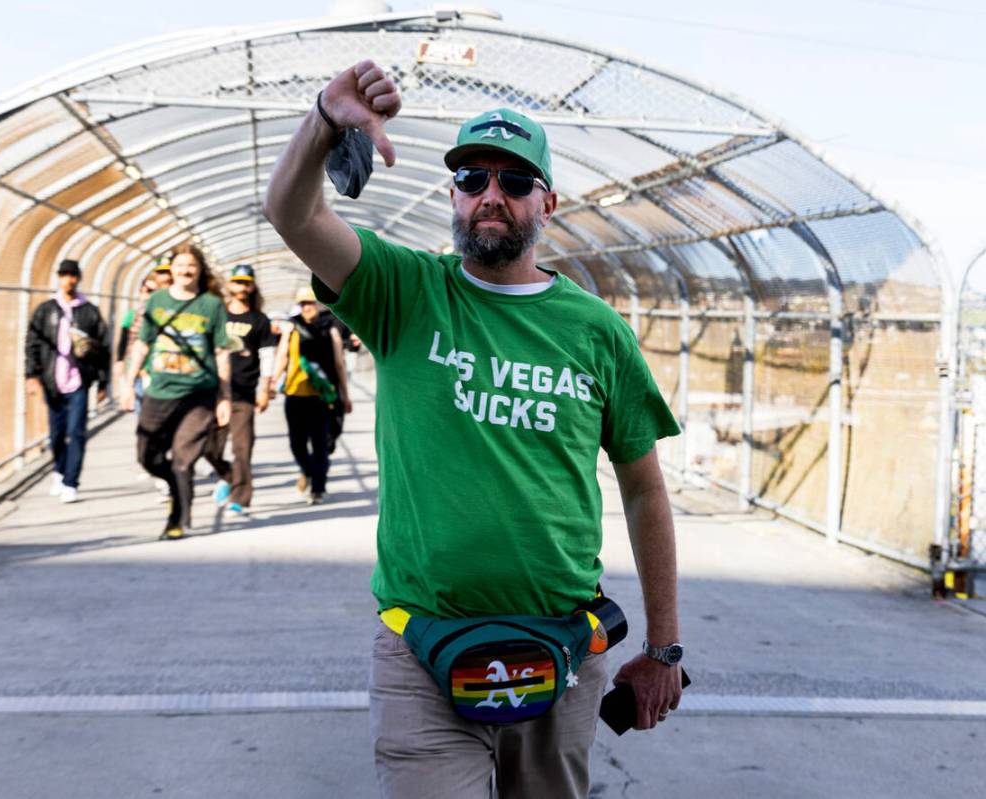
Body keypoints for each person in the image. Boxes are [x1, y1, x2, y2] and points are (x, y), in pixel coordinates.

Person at [264, 61, 684, 799]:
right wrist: (325, 120)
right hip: (421, 644)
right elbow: (292, 215)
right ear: (452, 193)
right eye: (473, 178)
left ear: (546, 202)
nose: (492, 195)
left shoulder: (595, 331)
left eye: (514, 182)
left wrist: (662, 646)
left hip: (560, 643)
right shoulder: (402, 291)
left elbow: (644, 487)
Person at [119, 243, 232, 540]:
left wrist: (224, 397)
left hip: (199, 395)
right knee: (148, 456)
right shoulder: (156, 301)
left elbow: (221, 352)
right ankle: (175, 488)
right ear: (171, 269)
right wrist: (128, 384)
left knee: (184, 459)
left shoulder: (212, 305)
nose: (186, 270)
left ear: (200, 270)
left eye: (191, 265)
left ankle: (178, 518)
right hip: (160, 392)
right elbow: (142, 344)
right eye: (180, 264)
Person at [25, 259, 110, 504]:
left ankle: (71, 482)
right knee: (57, 433)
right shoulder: (46, 310)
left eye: (73, 275)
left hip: (79, 381)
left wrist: (103, 381)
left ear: (78, 278)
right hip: (53, 380)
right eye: (64, 275)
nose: (69, 280)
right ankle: (59, 471)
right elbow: (32, 343)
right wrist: (31, 375)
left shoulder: (89, 311)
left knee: (76, 431)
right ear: (59, 278)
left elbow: (103, 347)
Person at [207, 264, 277, 519]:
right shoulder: (218, 314)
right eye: (237, 282)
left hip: (244, 392)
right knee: (207, 446)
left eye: (246, 282)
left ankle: (240, 497)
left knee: (242, 447)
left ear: (252, 286)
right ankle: (228, 477)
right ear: (230, 285)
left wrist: (265, 389)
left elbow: (267, 354)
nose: (242, 287)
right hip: (213, 393)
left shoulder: (259, 320)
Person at [269, 287, 351, 505]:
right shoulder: (291, 328)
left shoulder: (330, 329)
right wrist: (272, 382)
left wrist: (345, 394)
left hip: (321, 397)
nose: (307, 308)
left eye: (311, 303)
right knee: (296, 444)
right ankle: (307, 471)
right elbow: (282, 357)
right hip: (295, 393)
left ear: (318, 305)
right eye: (303, 304)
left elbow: (339, 363)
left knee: (320, 444)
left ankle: (318, 488)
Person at [114, 274, 157, 415]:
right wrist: (120, 360)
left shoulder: (162, 313)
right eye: (146, 290)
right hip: (138, 368)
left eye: (153, 291)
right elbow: (124, 338)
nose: (148, 295)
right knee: (142, 409)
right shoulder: (132, 314)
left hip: (157, 368)